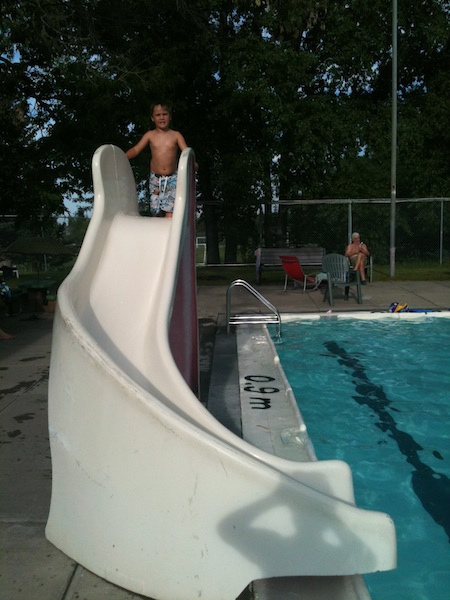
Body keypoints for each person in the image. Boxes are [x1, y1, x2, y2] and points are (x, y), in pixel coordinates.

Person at [125, 103, 189, 218]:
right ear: (152, 118)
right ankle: (159, 233)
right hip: (156, 179)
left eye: (165, 114)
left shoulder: (176, 135)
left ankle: (170, 233)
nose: (162, 117)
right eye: (158, 115)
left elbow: (186, 153)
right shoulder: (150, 135)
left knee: (170, 212)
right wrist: (123, 157)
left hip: (172, 179)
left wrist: (193, 164)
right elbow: (136, 149)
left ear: (170, 116)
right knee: (156, 211)